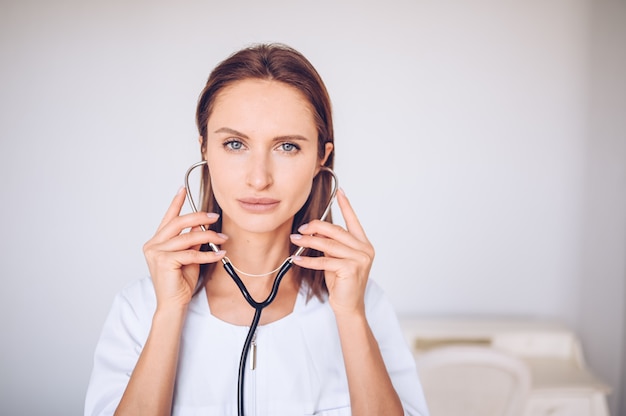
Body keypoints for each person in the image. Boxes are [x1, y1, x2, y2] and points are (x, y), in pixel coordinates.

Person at [84, 43, 429, 416]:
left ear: (320, 158)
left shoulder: (364, 305)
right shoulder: (140, 308)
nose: (259, 178)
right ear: (204, 149)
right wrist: (170, 311)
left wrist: (351, 317)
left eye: (286, 146)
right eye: (235, 144)